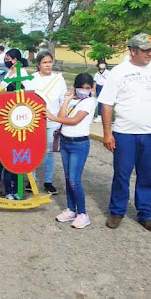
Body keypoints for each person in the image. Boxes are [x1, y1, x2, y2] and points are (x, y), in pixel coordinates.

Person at [98, 33, 151, 234]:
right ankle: (117, 211)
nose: (149, 53)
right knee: (122, 174)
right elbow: (107, 103)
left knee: (147, 175)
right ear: (132, 51)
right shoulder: (118, 72)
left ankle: (145, 214)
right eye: (144, 50)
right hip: (125, 133)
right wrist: (107, 133)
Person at [47, 73, 97, 229]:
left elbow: (75, 120)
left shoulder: (89, 102)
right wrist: (67, 100)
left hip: (79, 144)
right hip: (66, 142)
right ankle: (70, 209)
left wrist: (53, 118)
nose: (84, 90)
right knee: (68, 178)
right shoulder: (73, 100)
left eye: (87, 88)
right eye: (81, 87)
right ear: (75, 87)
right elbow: (63, 115)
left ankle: (83, 213)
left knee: (75, 179)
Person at [26, 50, 67, 195]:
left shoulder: (58, 79)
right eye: (45, 62)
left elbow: (63, 100)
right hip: (35, 121)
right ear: (39, 64)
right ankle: (32, 180)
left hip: (53, 120)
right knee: (33, 149)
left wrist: (62, 120)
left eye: (50, 62)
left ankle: (48, 181)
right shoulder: (31, 79)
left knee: (49, 151)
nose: (48, 65)